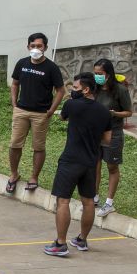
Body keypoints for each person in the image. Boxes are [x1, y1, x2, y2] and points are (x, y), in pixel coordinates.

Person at [43, 73, 111, 257]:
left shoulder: (72, 105)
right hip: (91, 161)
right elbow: (107, 139)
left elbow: (62, 118)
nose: (72, 91)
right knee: (88, 202)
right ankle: (82, 239)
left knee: (63, 200)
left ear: (86, 89)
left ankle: (60, 243)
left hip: (71, 160)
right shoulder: (105, 112)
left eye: (75, 88)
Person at [7, 32, 64, 195]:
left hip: (41, 114)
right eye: (33, 46)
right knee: (14, 144)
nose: (36, 49)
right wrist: (14, 103)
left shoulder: (51, 68)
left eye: (39, 46)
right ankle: (14, 174)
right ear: (28, 47)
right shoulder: (22, 63)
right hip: (21, 111)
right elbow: (15, 83)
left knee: (38, 147)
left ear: (45, 47)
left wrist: (52, 110)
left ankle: (34, 177)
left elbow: (61, 90)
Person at [90, 59, 132, 217]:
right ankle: (94, 196)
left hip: (113, 133)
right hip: (96, 132)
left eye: (100, 74)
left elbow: (128, 112)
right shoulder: (96, 88)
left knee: (112, 167)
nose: (97, 76)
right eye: (95, 73)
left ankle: (109, 203)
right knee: (95, 165)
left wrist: (114, 114)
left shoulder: (120, 90)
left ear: (108, 74)